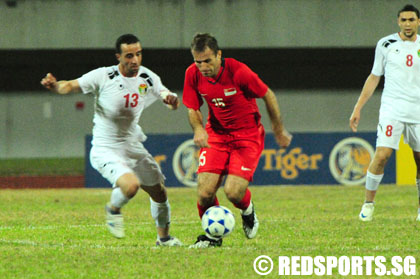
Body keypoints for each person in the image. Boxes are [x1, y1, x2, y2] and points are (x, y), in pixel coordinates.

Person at [41, 34, 182, 246]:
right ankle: (113, 209)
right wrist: (54, 86)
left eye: (138, 54)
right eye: (129, 55)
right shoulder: (104, 76)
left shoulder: (147, 77)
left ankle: (164, 239)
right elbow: (69, 86)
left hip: (132, 146)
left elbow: (166, 97)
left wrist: (171, 101)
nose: (135, 60)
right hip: (105, 148)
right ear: (119, 56)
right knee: (131, 186)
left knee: (159, 192)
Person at [183, 33, 292, 248]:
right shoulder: (192, 74)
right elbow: (193, 107)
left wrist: (278, 129)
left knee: (233, 192)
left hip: (247, 135)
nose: (203, 67)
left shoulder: (238, 72)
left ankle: (248, 211)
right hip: (216, 135)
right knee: (204, 193)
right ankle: (213, 238)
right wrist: (198, 129)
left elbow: (268, 94)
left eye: (208, 61)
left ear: (219, 55)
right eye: (198, 62)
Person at [350, 4, 420, 222]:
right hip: (392, 108)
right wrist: (358, 107)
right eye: (403, 20)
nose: (407, 24)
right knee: (382, 155)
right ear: (398, 22)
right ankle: (368, 204)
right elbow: (374, 77)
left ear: (418, 22)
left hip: (418, 110)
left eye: (411, 20)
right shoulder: (386, 44)